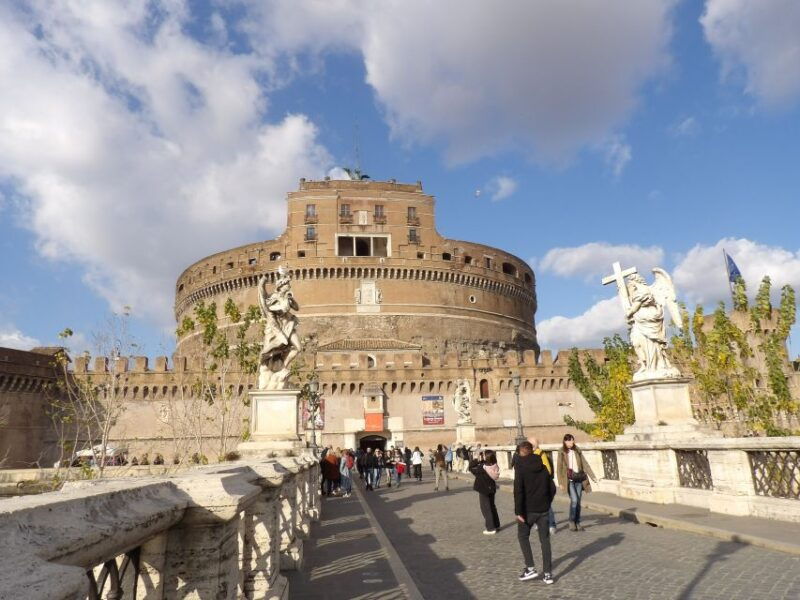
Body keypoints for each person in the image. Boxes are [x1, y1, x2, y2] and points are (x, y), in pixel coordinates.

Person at [514, 441, 556, 585]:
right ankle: (548, 574)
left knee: (523, 536)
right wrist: (547, 502)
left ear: (521, 452)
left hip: (527, 510)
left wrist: (518, 511)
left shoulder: (521, 468)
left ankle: (530, 568)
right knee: (545, 541)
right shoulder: (543, 467)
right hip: (543, 510)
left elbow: (518, 491)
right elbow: (552, 488)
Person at [556, 434, 597, 531]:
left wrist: (593, 476)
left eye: (573, 441)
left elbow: (585, 464)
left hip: (579, 479)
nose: (572, 443)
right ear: (565, 441)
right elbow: (559, 468)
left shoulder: (577, 450)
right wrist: (560, 483)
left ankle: (577, 522)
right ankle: (571, 521)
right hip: (569, 480)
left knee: (578, 502)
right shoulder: (561, 451)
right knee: (574, 500)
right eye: (570, 441)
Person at [530, 437, 557, 535]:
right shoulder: (528, 455)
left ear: (536, 445)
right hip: (533, 485)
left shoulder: (541, 454)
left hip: (543, 484)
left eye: (533, 444)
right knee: (536, 506)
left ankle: (552, 525)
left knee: (547, 506)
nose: (531, 446)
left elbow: (548, 470)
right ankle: (538, 523)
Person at [469, 449, 500, 534]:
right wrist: (483, 459)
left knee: (486, 509)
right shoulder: (494, 465)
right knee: (492, 507)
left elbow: (471, 468)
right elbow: (486, 463)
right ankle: (496, 525)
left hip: (483, 490)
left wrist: (475, 459)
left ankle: (490, 528)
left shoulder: (482, 468)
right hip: (491, 489)